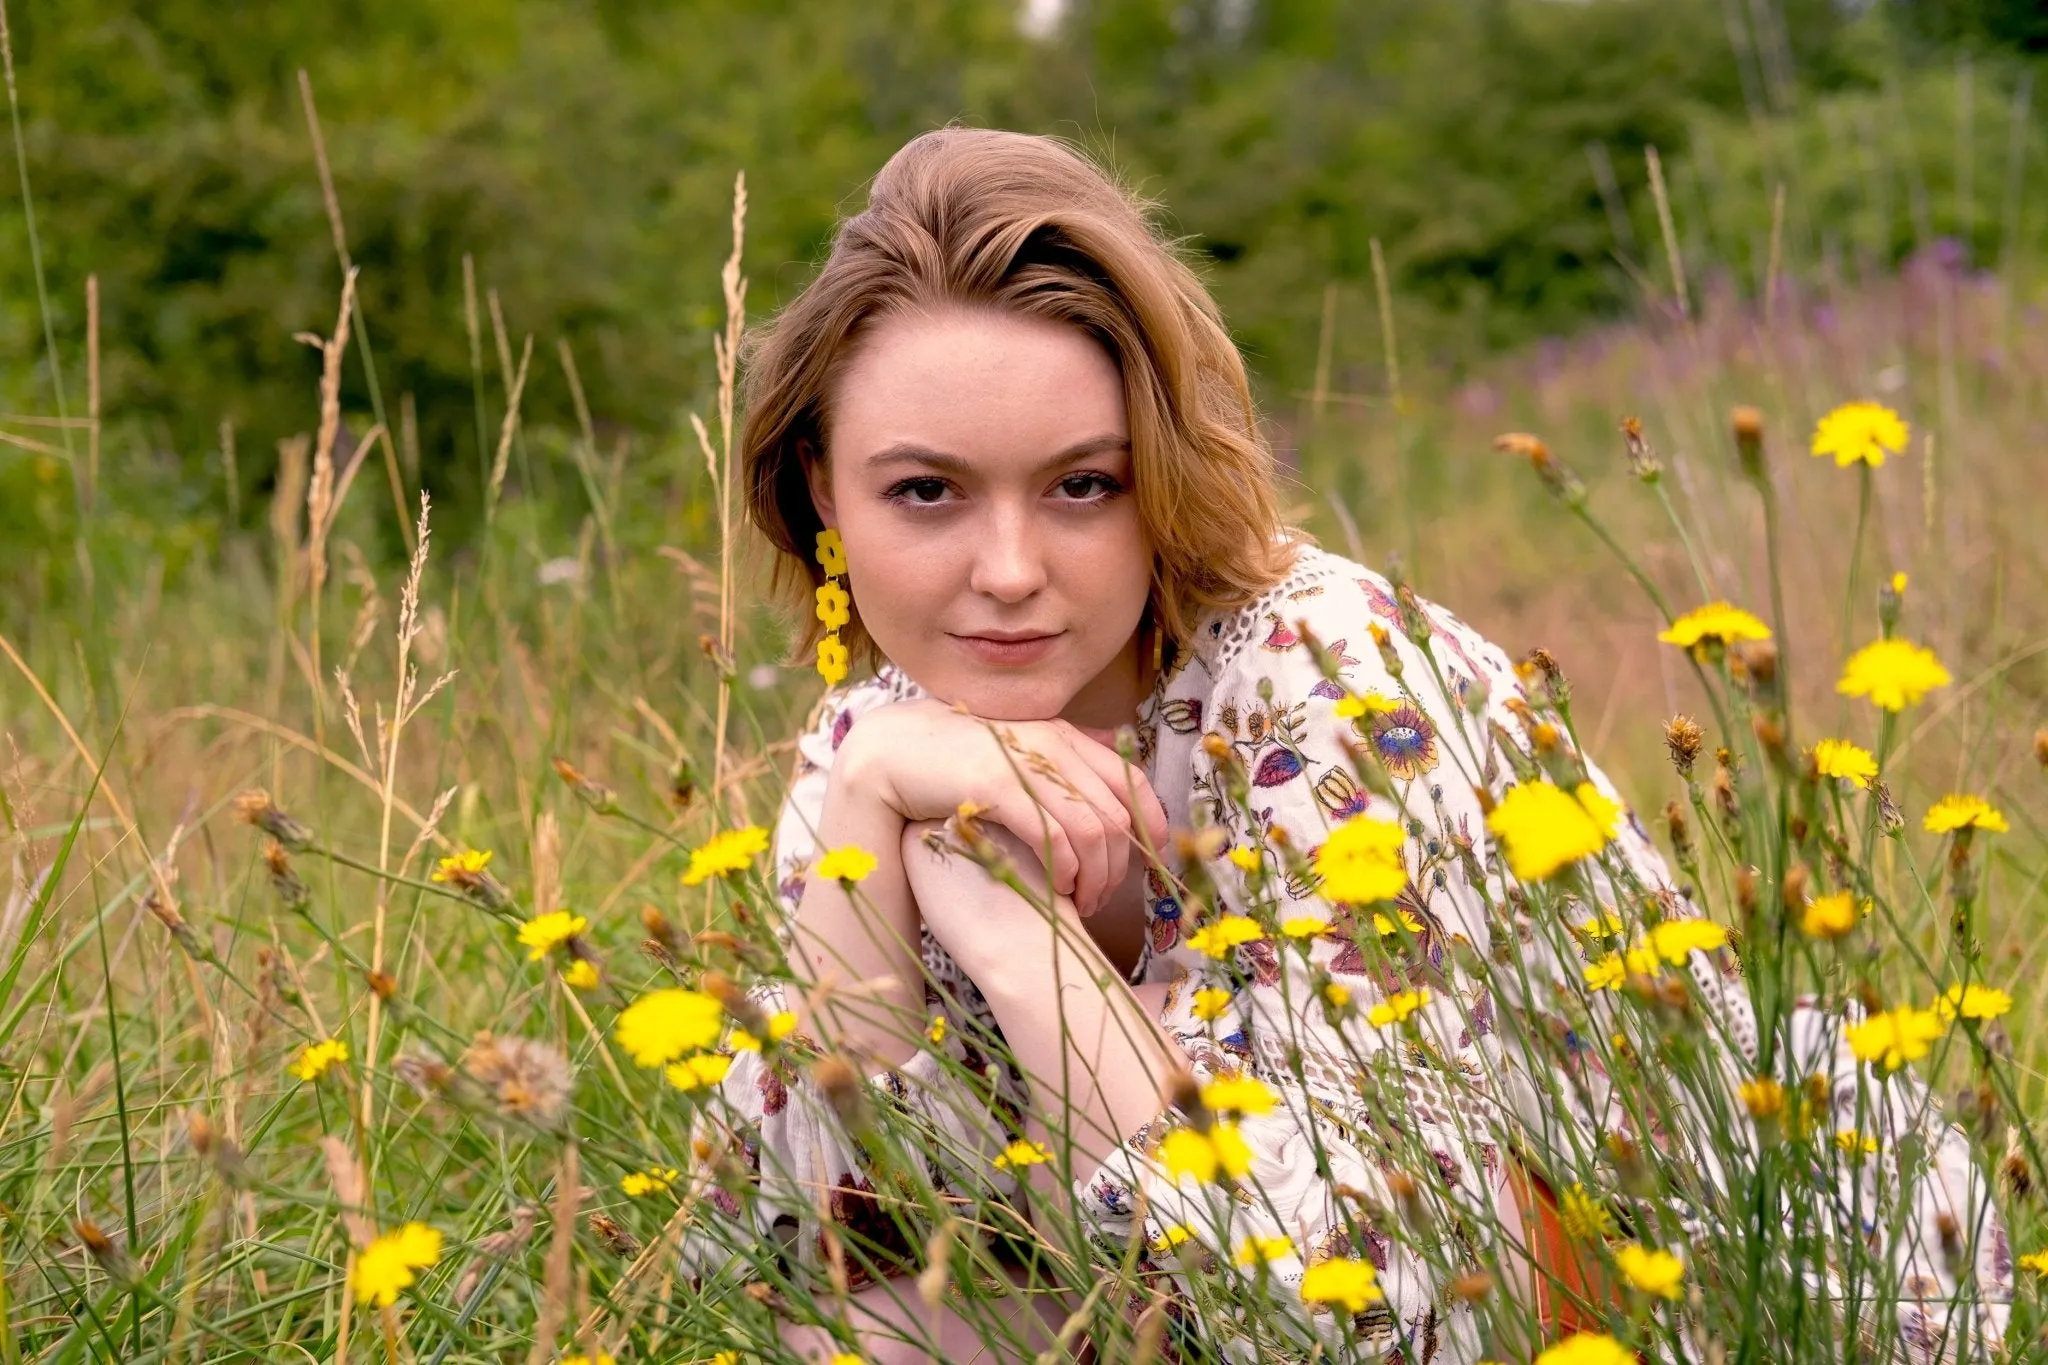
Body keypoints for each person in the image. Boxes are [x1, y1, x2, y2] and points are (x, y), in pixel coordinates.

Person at [677, 127, 2012, 1363]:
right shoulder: (882, 742)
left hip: (1729, 1300)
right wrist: (862, 816)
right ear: (817, 490)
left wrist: (1020, 943)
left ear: (1164, 474)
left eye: (1085, 484)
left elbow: (1365, 1314)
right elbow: (797, 1271)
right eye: (928, 492)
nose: (1010, 572)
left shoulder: (1325, 682)